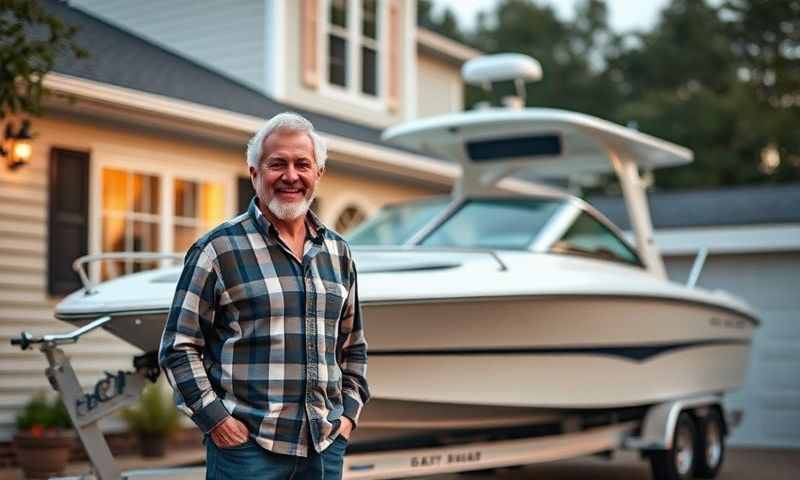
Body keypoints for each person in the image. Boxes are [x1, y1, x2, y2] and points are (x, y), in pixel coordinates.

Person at [159, 112, 369, 480]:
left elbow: (352, 347)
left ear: (318, 174)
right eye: (277, 164)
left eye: (302, 164)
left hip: (323, 449)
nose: (291, 175)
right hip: (246, 453)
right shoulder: (218, 249)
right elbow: (178, 347)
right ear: (254, 173)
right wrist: (217, 420)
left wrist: (347, 417)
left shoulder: (339, 252)